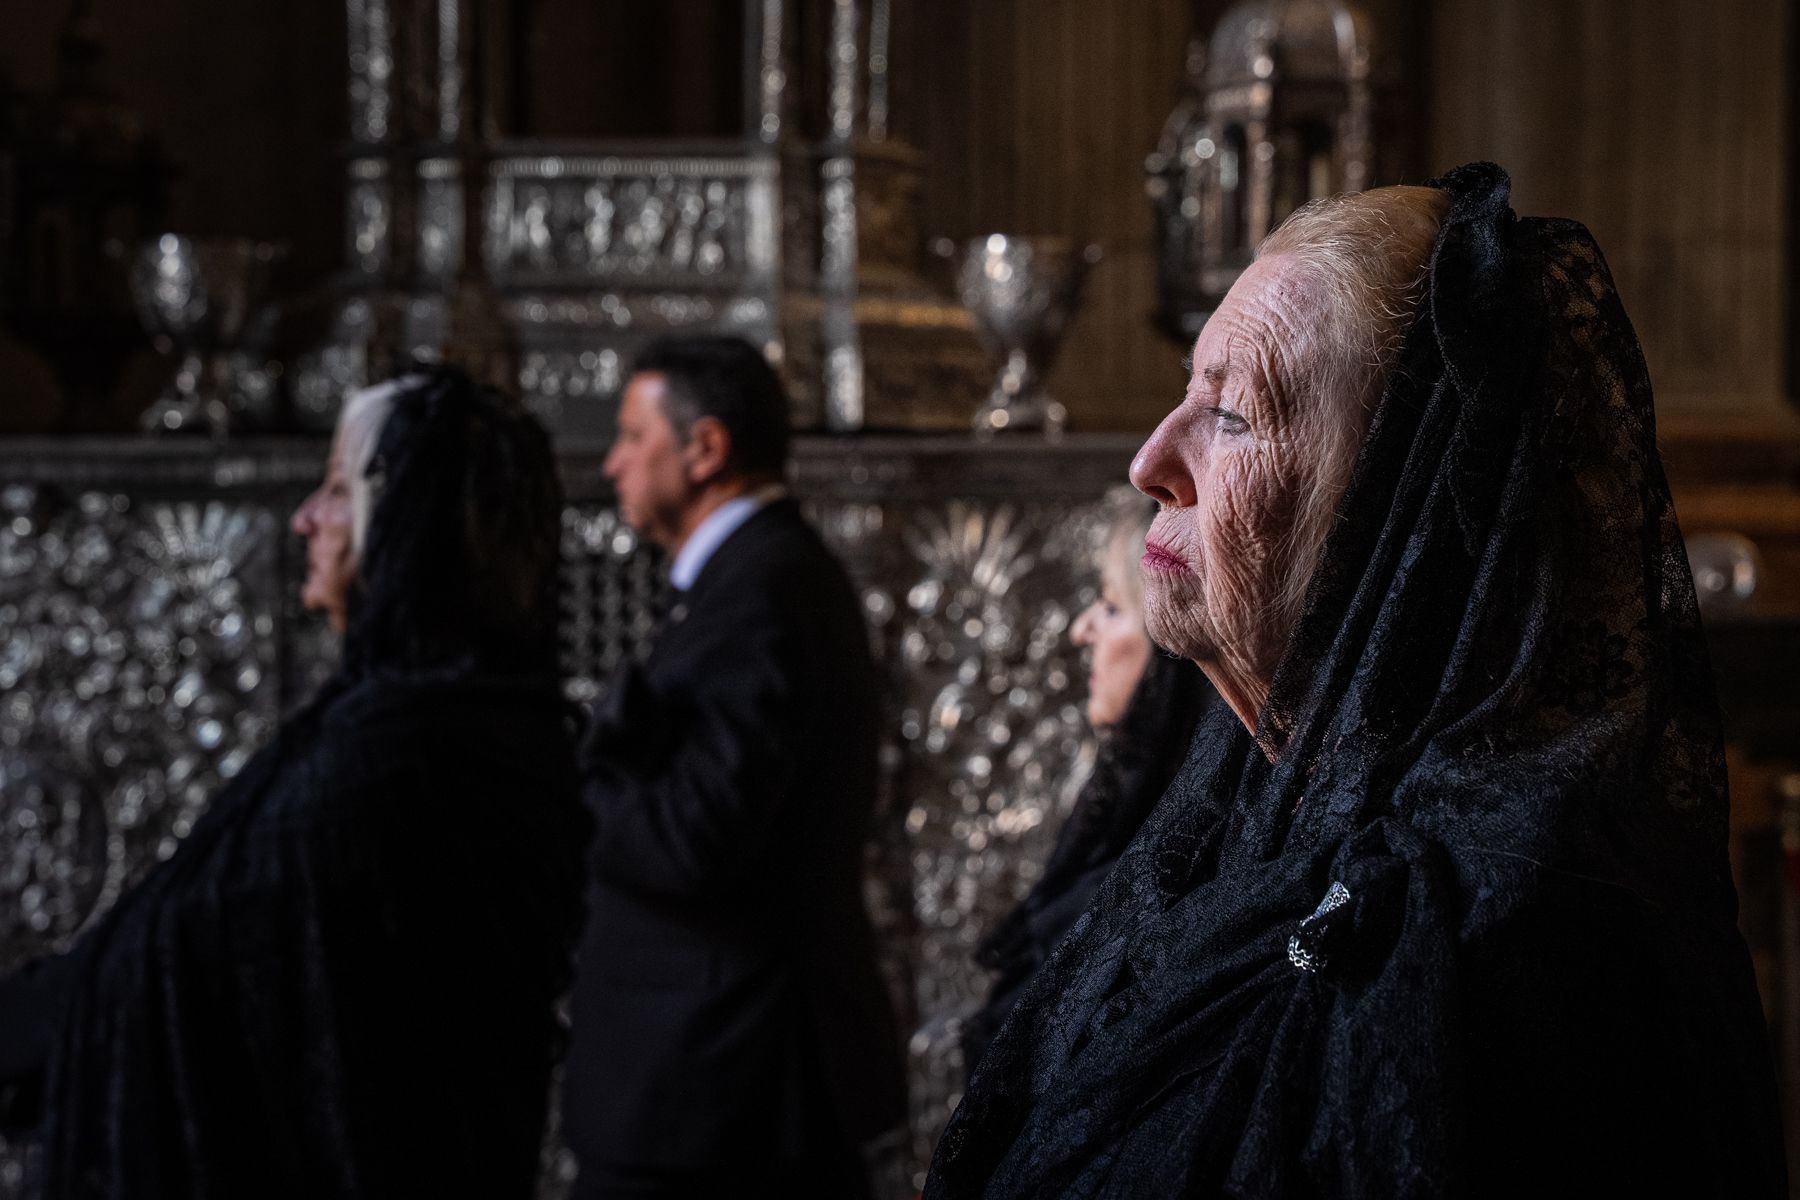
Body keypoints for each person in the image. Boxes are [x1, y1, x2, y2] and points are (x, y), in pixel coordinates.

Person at [927, 163, 1786, 1197]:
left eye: (1235, 416)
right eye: (1184, 396)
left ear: (1393, 514)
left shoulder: (1498, 943)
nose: (1153, 460)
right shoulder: (1249, 815)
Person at [0, 367, 588, 1198]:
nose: (306, 517)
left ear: (406, 530)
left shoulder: (393, 764)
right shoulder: (471, 725)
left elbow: (172, 961)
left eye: (340, 491)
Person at [564, 335, 907, 1199]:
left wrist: (573, 779)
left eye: (632, 436)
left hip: (720, 1092)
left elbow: (694, 839)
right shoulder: (748, 580)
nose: (612, 464)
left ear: (705, 448)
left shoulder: (761, 593)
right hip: (709, 1082)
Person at [960, 489, 1212, 1074]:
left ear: (1169, 646)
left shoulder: (1174, 869)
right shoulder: (1131, 824)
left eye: (1112, 606)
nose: (1081, 631)